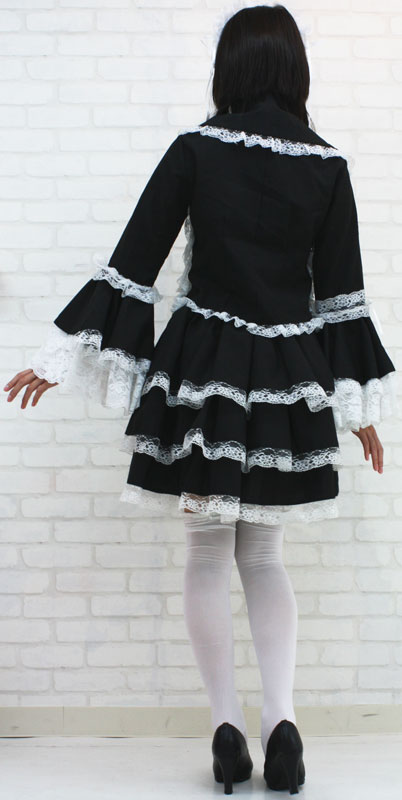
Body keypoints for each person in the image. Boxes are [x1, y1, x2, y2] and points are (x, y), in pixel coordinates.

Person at [4, 3, 399, 795]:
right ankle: (282, 724)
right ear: (294, 70)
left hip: (203, 372)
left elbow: (133, 261)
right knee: (265, 554)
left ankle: (226, 728)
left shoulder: (196, 148)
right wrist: (356, 412)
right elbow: (342, 297)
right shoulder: (327, 166)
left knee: (208, 552)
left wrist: (65, 353)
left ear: (230, 68)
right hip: (286, 375)